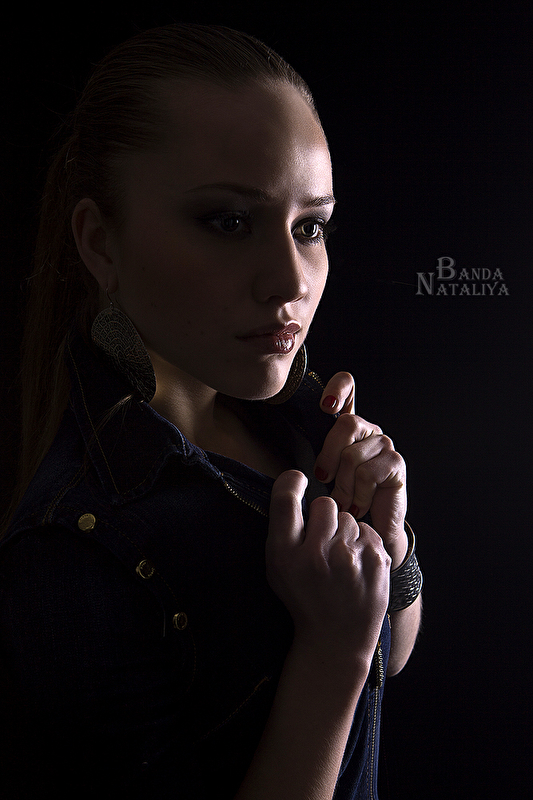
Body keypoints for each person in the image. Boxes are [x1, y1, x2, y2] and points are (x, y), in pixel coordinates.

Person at [0, 23, 422, 799]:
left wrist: (389, 550)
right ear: (101, 244)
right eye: (228, 222)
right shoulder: (76, 552)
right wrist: (327, 656)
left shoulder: (301, 422)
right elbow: (351, 663)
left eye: (309, 227)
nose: (289, 281)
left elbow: (386, 660)